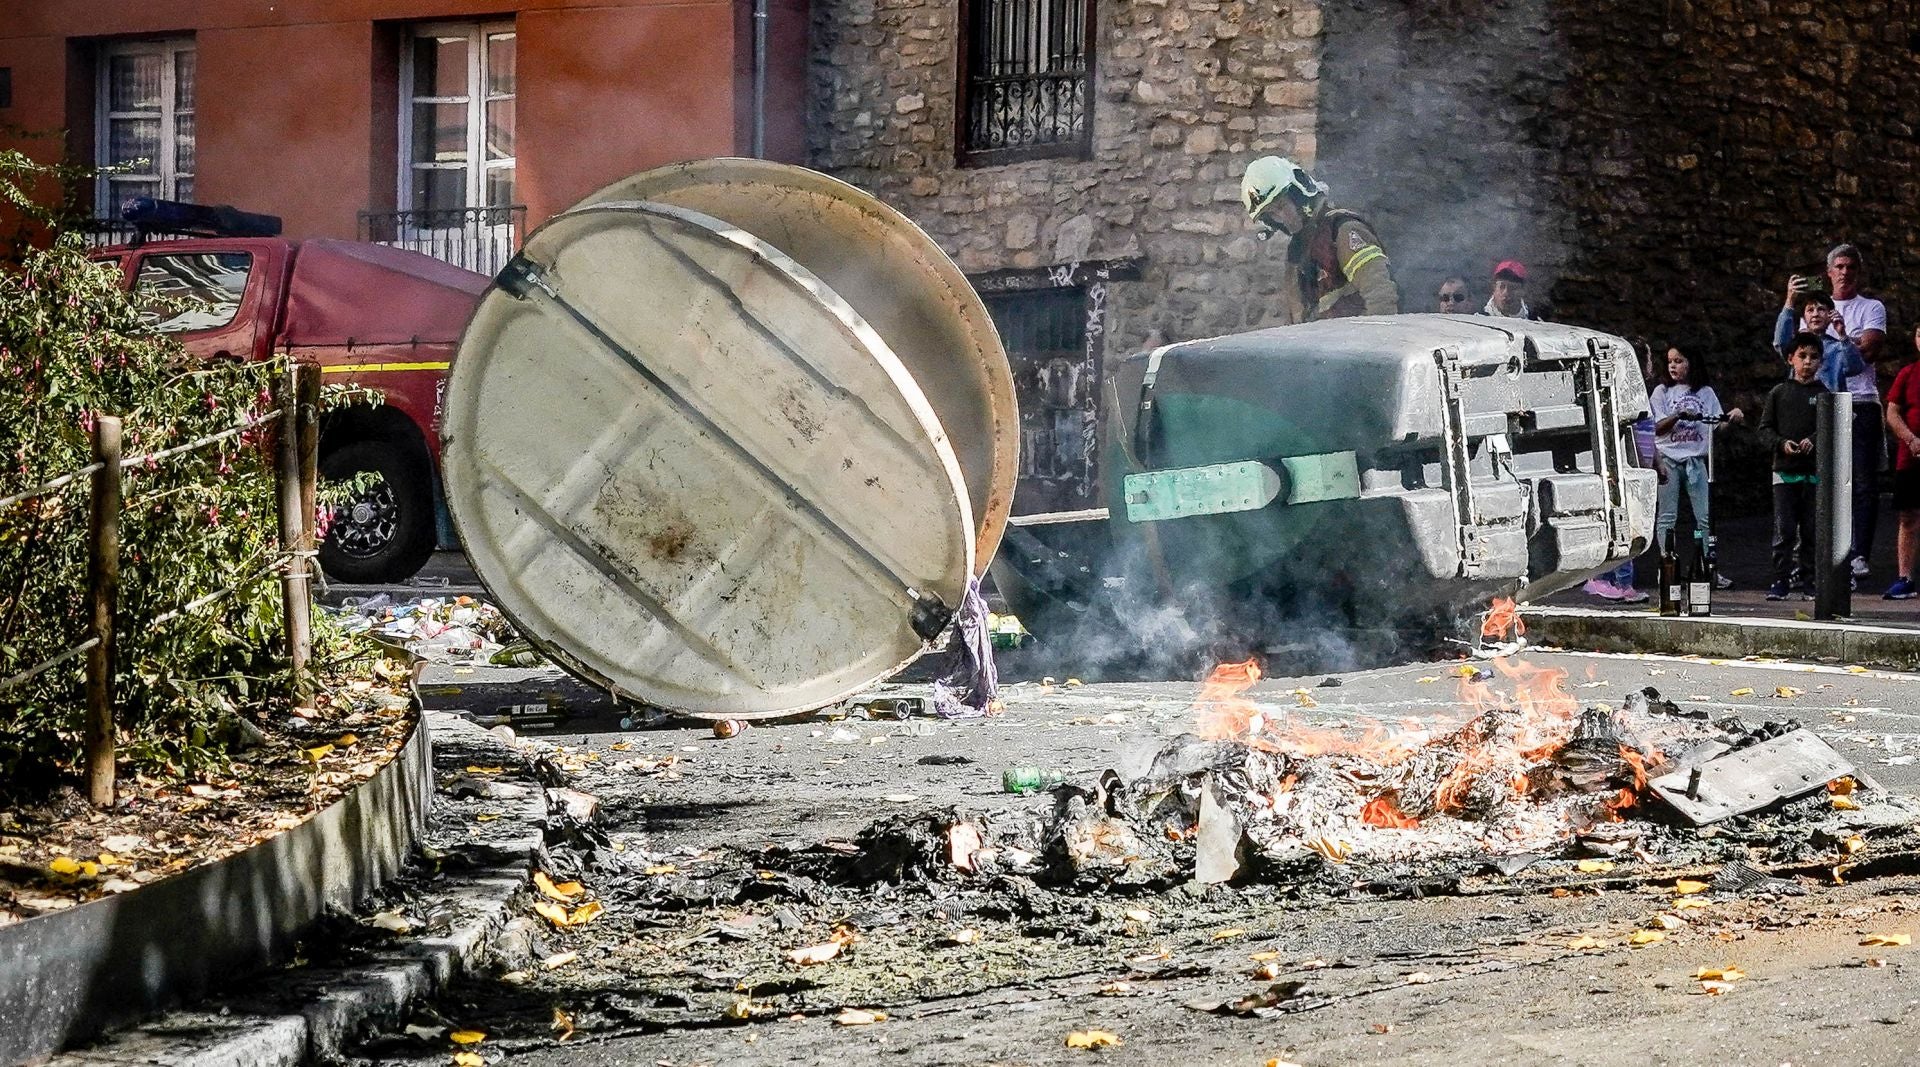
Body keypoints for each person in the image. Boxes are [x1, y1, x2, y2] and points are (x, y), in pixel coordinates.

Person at [1239, 156, 1399, 323]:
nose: (1281, 218)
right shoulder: (1296, 253)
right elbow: (1298, 322)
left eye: (1281, 206)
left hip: (1356, 345)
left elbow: (1381, 297)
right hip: (1325, 347)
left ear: (1299, 193)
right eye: (1272, 214)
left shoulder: (1342, 231)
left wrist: (1368, 346)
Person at [1817, 244, 1887, 578]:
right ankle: (1824, 550)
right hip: (1823, 402)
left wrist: (1831, 347)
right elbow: (1799, 352)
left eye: (1851, 267)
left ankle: (1859, 553)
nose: (1845, 272)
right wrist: (1846, 345)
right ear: (1829, 271)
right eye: (1840, 266)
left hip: (1861, 402)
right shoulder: (1815, 309)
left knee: (1862, 482)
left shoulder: (1871, 307)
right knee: (1821, 479)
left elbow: (1868, 352)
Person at [1650, 344, 1744, 574]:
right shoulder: (1661, 392)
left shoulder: (1705, 393)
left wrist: (1732, 417)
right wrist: (1678, 415)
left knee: (1703, 518)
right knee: (1667, 516)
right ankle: (1667, 564)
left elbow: (1716, 425)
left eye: (1679, 361)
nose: (1673, 365)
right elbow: (1658, 428)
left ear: (1691, 364)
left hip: (1695, 461)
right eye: (1671, 361)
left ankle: (1707, 566)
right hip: (1668, 460)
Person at [1759, 334, 1828, 599]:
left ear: (1820, 362)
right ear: (1791, 359)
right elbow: (1764, 429)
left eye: (1813, 357)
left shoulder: (1824, 394)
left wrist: (1813, 440)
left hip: (1814, 474)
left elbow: (1830, 428)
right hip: (1784, 472)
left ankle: (1811, 581)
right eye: (1802, 356)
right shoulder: (1779, 393)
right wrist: (1782, 443)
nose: (1807, 362)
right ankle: (1780, 580)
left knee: (1811, 530)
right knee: (1784, 530)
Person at [1882, 324, 1920, 599]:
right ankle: (1905, 578)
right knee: (1908, 517)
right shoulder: (1908, 374)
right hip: (1911, 457)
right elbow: (1893, 413)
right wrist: (1911, 439)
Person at [1774, 289, 1865, 392]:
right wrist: (1790, 301)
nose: (1815, 314)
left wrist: (1842, 334)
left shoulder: (1838, 347)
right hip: (1799, 402)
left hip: (1831, 403)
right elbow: (1780, 342)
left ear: (1830, 315)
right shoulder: (1797, 345)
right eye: (1810, 310)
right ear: (1803, 317)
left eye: (1821, 309)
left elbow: (1856, 368)